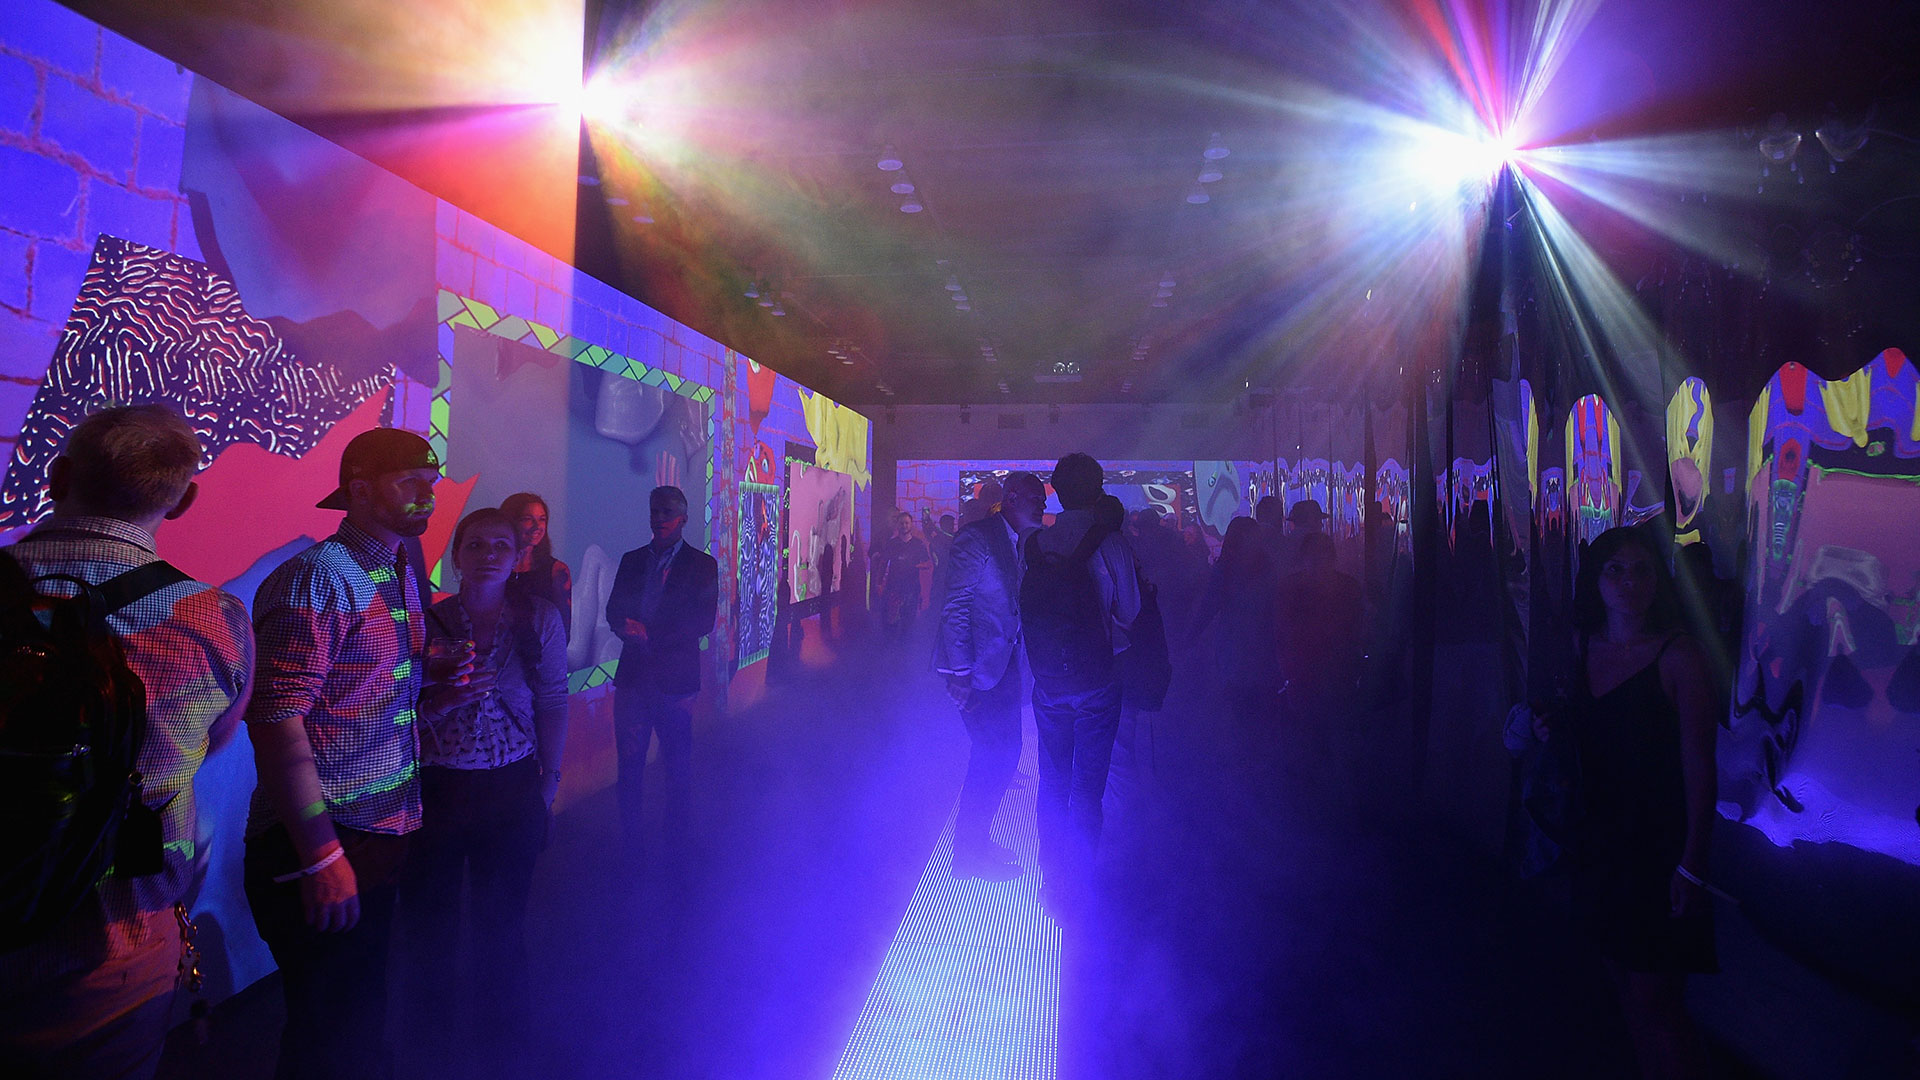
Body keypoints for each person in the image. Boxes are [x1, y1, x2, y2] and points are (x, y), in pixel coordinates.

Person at [0, 405, 254, 1080]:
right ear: (184, 499)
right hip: (116, 957)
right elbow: (214, 742)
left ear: (58, 477)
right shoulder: (215, 620)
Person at [242, 427, 442, 1080]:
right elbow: (274, 719)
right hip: (327, 840)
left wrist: (439, 690)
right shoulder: (318, 577)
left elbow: (362, 700)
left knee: (357, 1020)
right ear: (358, 490)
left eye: (431, 481)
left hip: (376, 835)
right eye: (408, 481)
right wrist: (321, 855)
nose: (427, 494)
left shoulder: (398, 568)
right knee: (326, 1035)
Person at [1543, 526, 1718, 1079]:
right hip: (1600, 842)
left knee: (1656, 1000)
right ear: (1595, 581)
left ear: (1658, 580)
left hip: (1656, 847)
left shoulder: (1678, 656)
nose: (1629, 581)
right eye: (1615, 569)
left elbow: (1699, 764)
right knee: (1624, 987)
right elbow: (1583, 730)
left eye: (1642, 569)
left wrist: (1691, 863)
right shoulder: (1582, 646)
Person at [401, 508, 568, 1060]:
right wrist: (441, 701)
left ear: (517, 556)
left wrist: (548, 786)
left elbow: (553, 701)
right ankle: (431, 1043)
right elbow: (400, 711)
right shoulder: (428, 621)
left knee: (503, 922)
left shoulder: (539, 619)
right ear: (456, 557)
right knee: (432, 920)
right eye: (475, 545)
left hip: (513, 787)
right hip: (439, 788)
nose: (488, 554)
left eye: (500, 545)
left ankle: (502, 1044)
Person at [1022, 453, 1140, 920]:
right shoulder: (1110, 542)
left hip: (1047, 680)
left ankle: (1052, 880)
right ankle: (1082, 883)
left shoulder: (1034, 543)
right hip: (1096, 680)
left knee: (1052, 782)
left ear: (1055, 490)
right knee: (1088, 788)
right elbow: (1130, 611)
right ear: (1098, 489)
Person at [935, 471, 1047, 882]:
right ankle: (968, 854)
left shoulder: (1020, 540)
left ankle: (974, 844)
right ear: (1012, 498)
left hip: (1003, 666)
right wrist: (960, 671)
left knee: (1002, 754)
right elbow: (956, 605)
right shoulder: (978, 537)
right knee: (992, 755)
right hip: (978, 670)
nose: (1043, 506)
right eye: (1036, 498)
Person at [606, 485, 719, 849]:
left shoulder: (702, 565)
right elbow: (613, 610)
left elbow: (703, 621)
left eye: (667, 512)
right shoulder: (632, 560)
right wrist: (624, 627)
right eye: (655, 511)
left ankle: (677, 843)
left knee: (676, 765)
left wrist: (648, 634)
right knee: (629, 765)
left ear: (683, 518)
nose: (658, 518)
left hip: (676, 682)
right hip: (633, 680)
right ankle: (631, 841)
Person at [1187, 517, 1282, 725]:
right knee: (1262, 715)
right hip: (1261, 650)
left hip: (1235, 650)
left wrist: (1189, 637)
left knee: (1243, 712)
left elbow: (1208, 608)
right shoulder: (1268, 568)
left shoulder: (1226, 569)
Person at [501, 492, 572, 641]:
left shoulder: (557, 570)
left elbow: (563, 630)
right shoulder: (492, 566)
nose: (537, 526)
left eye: (542, 519)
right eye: (528, 519)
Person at [878, 510, 931, 642]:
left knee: (909, 624)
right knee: (891, 623)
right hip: (893, 588)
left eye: (907, 523)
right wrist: (879, 583)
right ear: (898, 525)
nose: (904, 526)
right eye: (902, 523)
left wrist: (916, 566)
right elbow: (883, 563)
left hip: (912, 589)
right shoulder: (892, 543)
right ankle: (890, 649)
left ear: (911, 524)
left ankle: (906, 648)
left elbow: (928, 563)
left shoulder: (918, 544)